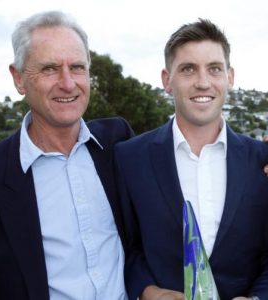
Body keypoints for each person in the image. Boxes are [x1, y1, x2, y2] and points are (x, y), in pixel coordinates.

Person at [0, 11, 133, 300]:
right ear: (19, 79)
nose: (67, 83)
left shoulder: (118, 142)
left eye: (77, 67)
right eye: (50, 68)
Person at [115, 19, 268, 300]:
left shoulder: (262, 160)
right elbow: (127, 246)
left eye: (214, 69)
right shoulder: (130, 157)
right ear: (166, 80)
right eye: (188, 69)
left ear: (229, 77)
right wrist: (149, 292)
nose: (202, 82)